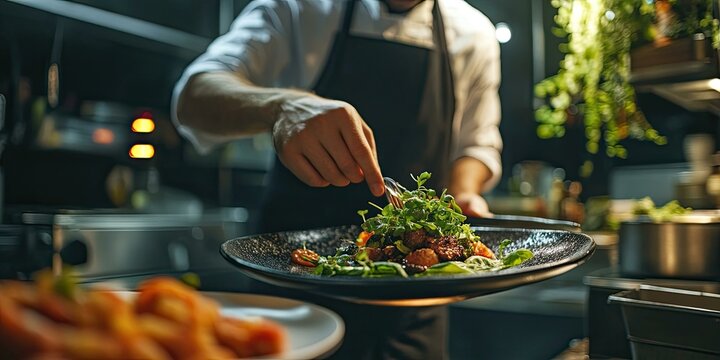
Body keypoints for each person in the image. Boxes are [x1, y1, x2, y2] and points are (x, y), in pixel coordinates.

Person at [173, 0, 502, 358]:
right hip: (295, 303)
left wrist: (464, 194)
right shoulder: (298, 7)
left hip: (415, 312)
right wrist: (281, 105)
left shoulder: (475, 33)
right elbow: (192, 97)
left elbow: (476, 144)